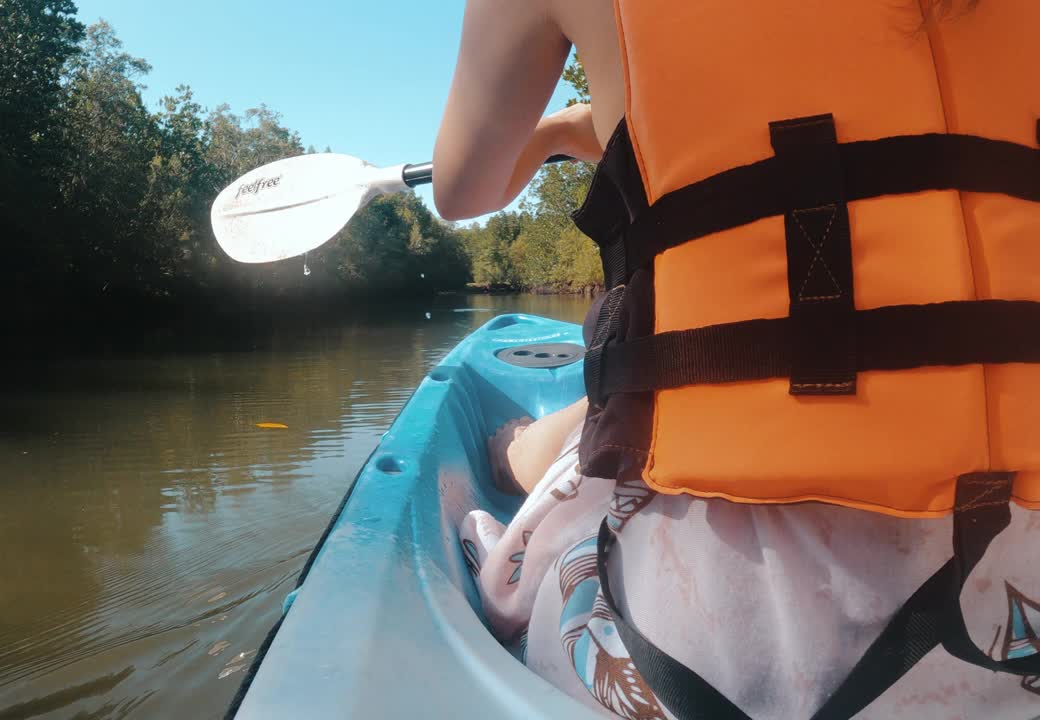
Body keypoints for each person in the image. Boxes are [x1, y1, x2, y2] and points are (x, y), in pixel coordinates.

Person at [434, 1, 1040, 719]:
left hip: (709, 649)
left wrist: (564, 129)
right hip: (1017, 579)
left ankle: (517, 458)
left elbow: (463, 190)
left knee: (587, 451)